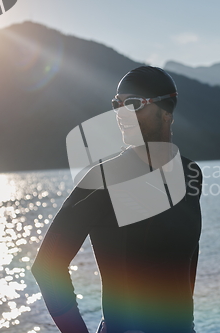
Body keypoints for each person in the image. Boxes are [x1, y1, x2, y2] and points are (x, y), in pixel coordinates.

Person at [31, 66, 203, 333]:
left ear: (167, 111)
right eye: (117, 104)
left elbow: (188, 255)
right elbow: (47, 265)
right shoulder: (103, 178)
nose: (122, 114)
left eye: (133, 104)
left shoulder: (190, 175)